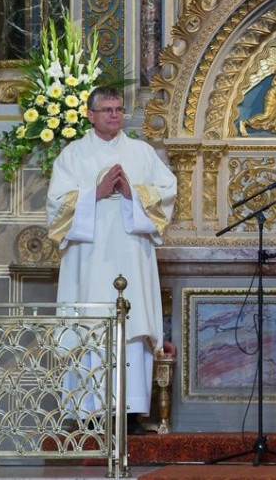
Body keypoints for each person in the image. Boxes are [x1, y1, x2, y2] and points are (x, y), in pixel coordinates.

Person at [47, 86, 177, 434]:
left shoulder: (141, 153)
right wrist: (97, 193)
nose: (114, 115)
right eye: (107, 110)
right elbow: (56, 208)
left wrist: (133, 192)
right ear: (90, 115)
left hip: (131, 257)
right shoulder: (73, 156)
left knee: (131, 330)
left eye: (118, 109)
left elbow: (167, 193)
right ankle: (88, 413)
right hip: (88, 261)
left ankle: (130, 413)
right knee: (89, 329)